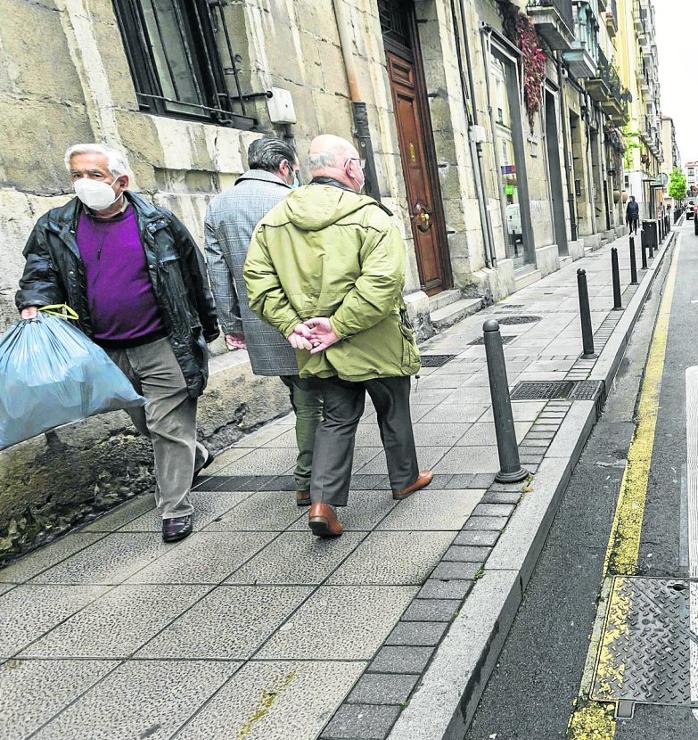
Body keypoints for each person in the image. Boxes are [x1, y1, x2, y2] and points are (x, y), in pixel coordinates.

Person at [16, 144, 218, 543]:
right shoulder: (54, 226)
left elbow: (195, 276)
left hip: (164, 342)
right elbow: (39, 270)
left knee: (167, 422)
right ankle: (193, 455)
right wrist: (33, 301)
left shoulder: (159, 223)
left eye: (94, 174)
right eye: (76, 175)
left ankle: (174, 507)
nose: (83, 183)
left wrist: (207, 327)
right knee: (146, 422)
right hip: (104, 349)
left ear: (120, 182)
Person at [245, 134, 430, 539]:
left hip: (318, 347)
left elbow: (258, 283)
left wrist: (294, 324)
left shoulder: (274, 220)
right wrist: (341, 325)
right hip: (376, 341)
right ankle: (404, 479)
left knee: (336, 418)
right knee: (393, 409)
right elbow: (384, 282)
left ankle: (322, 503)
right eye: (359, 164)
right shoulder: (373, 216)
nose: (360, 170)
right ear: (348, 168)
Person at [204, 137, 323, 507]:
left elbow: (217, 271)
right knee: (311, 402)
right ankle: (308, 481)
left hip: (258, 321)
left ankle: (315, 470)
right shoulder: (294, 199)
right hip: (305, 319)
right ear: (285, 167)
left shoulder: (219, 205)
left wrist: (231, 324)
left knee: (300, 395)